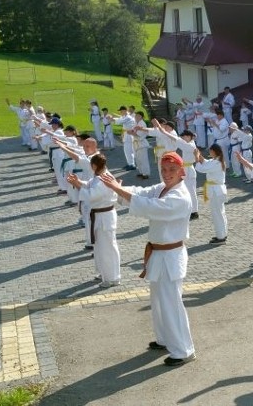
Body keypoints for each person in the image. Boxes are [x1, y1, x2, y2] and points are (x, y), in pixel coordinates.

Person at [99, 152, 196, 366]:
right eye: (163, 170)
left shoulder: (180, 196)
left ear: (182, 172)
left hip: (171, 255)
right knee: (159, 301)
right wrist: (118, 187)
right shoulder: (162, 188)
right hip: (158, 253)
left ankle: (183, 349)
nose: (167, 174)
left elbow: (152, 208)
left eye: (172, 170)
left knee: (172, 303)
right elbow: (141, 192)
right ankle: (164, 339)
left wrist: (118, 189)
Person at [68, 154, 121, 288]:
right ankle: (104, 273)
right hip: (99, 216)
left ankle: (112, 278)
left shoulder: (105, 179)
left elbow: (92, 195)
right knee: (99, 248)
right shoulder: (99, 177)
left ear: (94, 166)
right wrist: (79, 182)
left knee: (107, 248)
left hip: (104, 217)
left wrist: (77, 185)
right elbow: (90, 185)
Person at [194, 144, 228, 243]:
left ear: (214, 151)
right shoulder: (216, 161)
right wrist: (199, 155)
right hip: (217, 190)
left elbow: (201, 168)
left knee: (217, 214)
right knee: (220, 213)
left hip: (216, 191)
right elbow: (205, 162)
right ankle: (222, 234)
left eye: (210, 151)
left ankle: (221, 236)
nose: (209, 152)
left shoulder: (217, 163)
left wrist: (196, 157)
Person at [112, 106, 137, 170]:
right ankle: (129, 163)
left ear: (125, 111)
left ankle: (132, 164)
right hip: (126, 134)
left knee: (129, 150)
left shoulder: (128, 117)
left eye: (121, 111)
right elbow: (119, 119)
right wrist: (113, 118)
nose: (120, 112)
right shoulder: (125, 116)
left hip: (129, 135)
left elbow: (119, 122)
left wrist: (112, 119)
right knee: (126, 151)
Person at [129, 112, 152, 180]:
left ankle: (146, 174)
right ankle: (141, 172)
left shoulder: (142, 124)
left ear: (141, 117)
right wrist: (131, 132)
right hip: (136, 144)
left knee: (143, 160)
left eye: (138, 116)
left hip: (142, 144)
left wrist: (131, 133)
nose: (136, 117)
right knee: (138, 159)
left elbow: (139, 134)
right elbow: (133, 131)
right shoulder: (136, 123)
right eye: (136, 116)